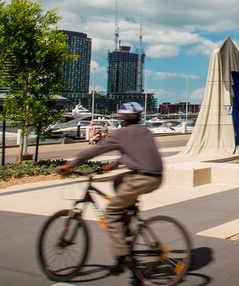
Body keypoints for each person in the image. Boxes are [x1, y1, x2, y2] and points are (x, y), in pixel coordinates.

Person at [58, 102, 163, 277]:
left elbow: (95, 150)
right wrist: (112, 166)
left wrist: (71, 164)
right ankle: (129, 213)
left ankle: (121, 257)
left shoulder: (122, 134)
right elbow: (132, 153)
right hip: (157, 177)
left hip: (141, 179)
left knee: (112, 212)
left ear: (122, 118)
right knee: (118, 181)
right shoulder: (146, 132)